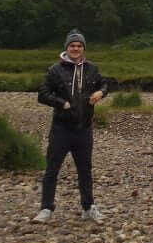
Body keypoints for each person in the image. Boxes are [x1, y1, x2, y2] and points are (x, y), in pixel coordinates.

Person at [32, 29, 108, 224]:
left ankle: (88, 207)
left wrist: (101, 93)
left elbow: (105, 84)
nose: (76, 48)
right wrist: (61, 103)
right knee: (52, 169)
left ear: (83, 48)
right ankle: (46, 209)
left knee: (85, 170)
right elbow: (42, 94)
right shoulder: (55, 70)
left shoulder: (92, 68)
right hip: (61, 129)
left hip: (84, 128)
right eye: (72, 45)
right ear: (66, 48)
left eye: (79, 46)